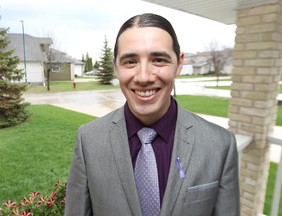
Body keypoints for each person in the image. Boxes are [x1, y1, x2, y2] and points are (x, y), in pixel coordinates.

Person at [64, 13, 240, 216]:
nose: (144, 77)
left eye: (158, 60)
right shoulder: (89, 141)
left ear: (179, 63)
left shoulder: (220, 145)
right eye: (130, 61)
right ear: (116, 67)